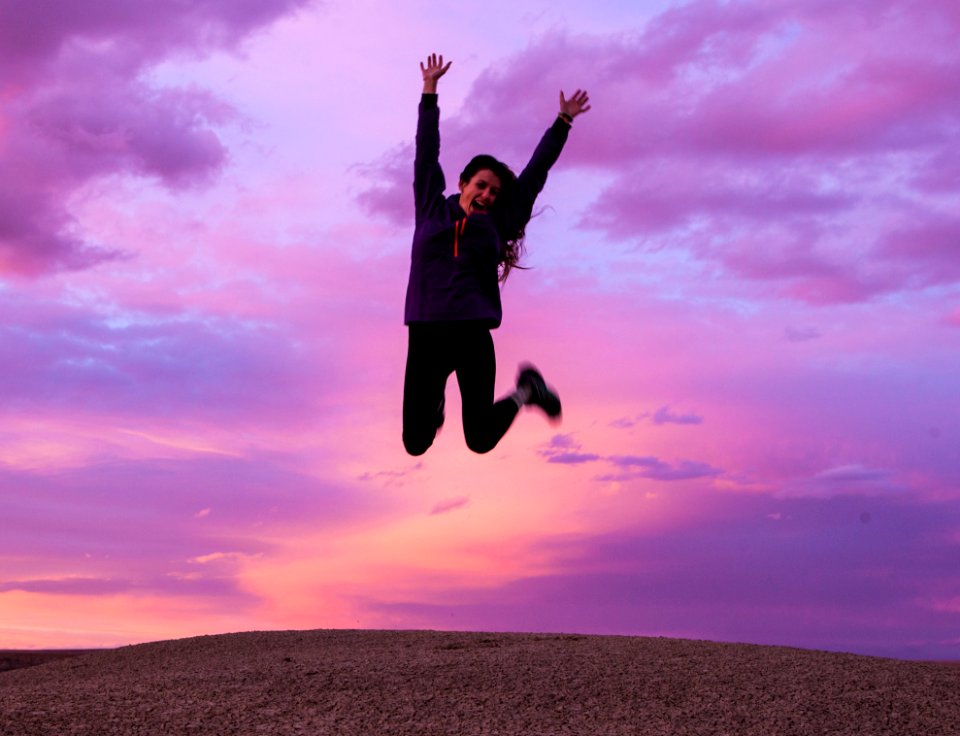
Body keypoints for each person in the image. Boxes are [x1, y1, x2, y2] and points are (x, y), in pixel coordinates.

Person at [403, 52, 590, 456]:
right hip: (426, 334)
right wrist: (429, 90)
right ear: (463, 183)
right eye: (481, 185)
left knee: (480, 440)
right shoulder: (431, 209)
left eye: (494, 191)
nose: (487, 194)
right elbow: (426, 152)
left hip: (472, 333)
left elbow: (536, 172)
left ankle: (526, 392)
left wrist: (563, 122)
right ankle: (434, 404)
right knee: (415, 443)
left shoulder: (498, 223)